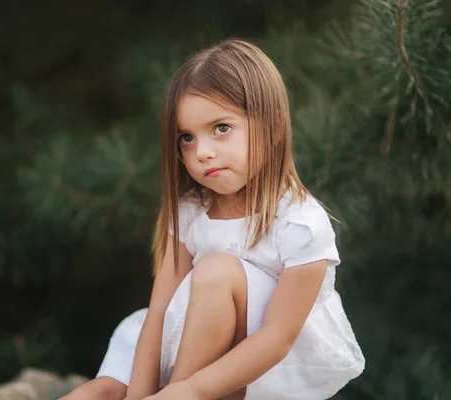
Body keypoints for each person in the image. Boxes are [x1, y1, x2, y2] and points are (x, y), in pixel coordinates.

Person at [61, 38, 365, 400]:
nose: (202, 152)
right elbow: (159, 310)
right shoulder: (190, 211)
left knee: (217, 270)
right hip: (186, 342)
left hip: (258, 367)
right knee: (99, 391)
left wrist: (187, 391)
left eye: (221, 128)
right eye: (187, 138)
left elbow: (277, 338)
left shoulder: (299, 223)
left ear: (274, 125)